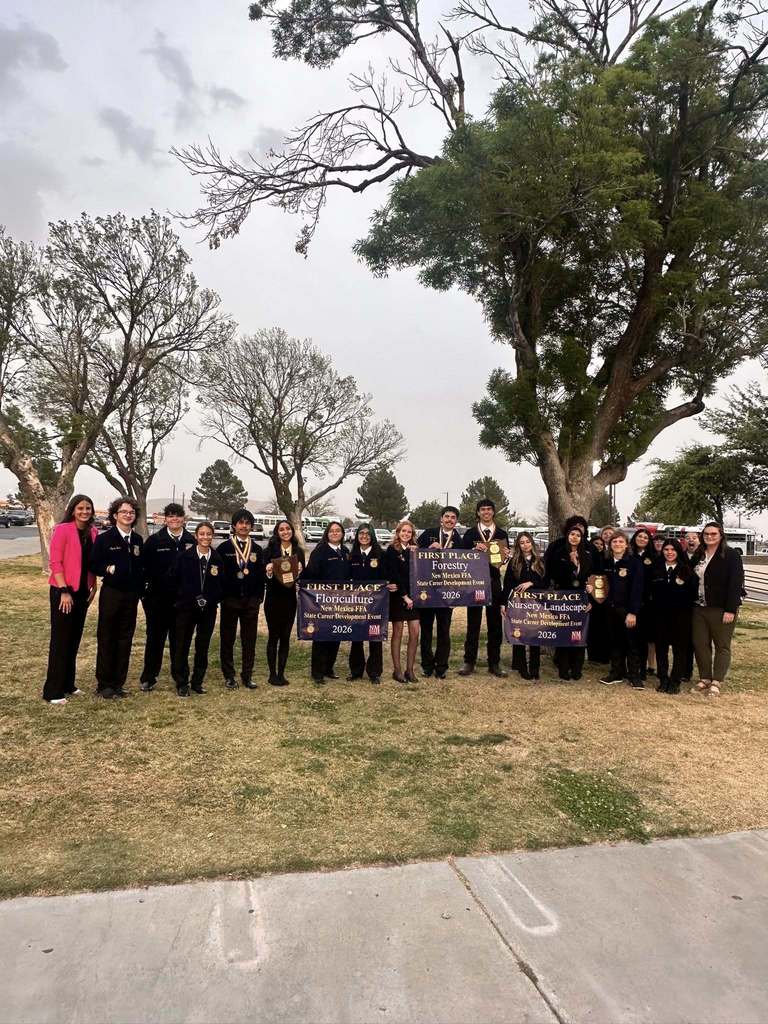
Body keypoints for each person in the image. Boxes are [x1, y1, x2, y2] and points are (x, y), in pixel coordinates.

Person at [42, 494, 98, 705]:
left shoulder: (93, 532)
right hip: (63, 591)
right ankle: (53, 691)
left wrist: (94, 585)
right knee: (61, 640)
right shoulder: (63, 529)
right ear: (73, 510)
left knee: (74, 639)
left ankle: (68, 684)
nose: (84, 512)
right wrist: (64, 590)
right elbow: (55, 562)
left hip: (83, 591)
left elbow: (91, 562)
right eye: (80, 508)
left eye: (88, 508)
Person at [90, 496, 145, 699]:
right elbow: (94, 564)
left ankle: (118, 683)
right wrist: (108, 568)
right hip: (112, 593)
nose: (128, 515)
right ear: (115, 515)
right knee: (107, 637)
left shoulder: (137, 540)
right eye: (124, 512)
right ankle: (104, 684)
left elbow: (141, 568)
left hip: (131, 595)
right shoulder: (105, 539)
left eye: (131, 512)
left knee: (125, 638)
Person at [140, 502, 194, 692]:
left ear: (183, 519)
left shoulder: (191, 541)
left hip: (182, 603)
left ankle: (181, 681)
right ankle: (149, 678)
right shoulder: (155, 541)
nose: (174, 519)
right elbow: (143, 569)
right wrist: (146, 597)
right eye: (170, 516)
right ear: (165, 519)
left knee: (180, 642)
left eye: (178, 515)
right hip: (158, 601)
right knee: (155, 640)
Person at [690, 523, 744, 697]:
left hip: (721, 608)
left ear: (721, 535)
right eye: (706, 534)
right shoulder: (699, 554)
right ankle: (705, 677)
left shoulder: (731, 555)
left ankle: (717, 680)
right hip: (699, 608)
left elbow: (736, 583)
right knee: (700, 644)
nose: (709, 536)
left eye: (713, 533)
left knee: (722, 645)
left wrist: (730, 609)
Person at [459, 499, 509, 678]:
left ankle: (494, 662)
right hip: (474, 582)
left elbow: (503, 559)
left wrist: (506, 556)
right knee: (473, 623)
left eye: (489, 509)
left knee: (495, 624)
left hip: (493, 581)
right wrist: (474, 549)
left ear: (493, 512)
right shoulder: (470, 533)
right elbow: (461, 556)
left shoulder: (501, 533)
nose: (486, 512)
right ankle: (469, 661)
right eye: (483, 509)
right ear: (478, 513)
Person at [173, 521, 224, 696]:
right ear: (196, 536)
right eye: (202, 534)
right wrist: (189, 598)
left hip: (208, 610)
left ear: (212, 536)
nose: (205, 537)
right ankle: (182, 682)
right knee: (182, 645)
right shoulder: (184, 557)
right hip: (186, 608)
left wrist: (210, 599)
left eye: (209, 534)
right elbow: (176, 581)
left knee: (203, 646)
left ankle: (197, 681)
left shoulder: (217, 559)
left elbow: (221, 585)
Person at [218, 509, 265, 690]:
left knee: (249, 640)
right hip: (230, 600)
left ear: (251, 526)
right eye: (241, 523)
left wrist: (258, 597)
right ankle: (229, 675)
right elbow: (219, 576)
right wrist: (223, 597)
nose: (244, 526)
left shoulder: (258, 549)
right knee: (227, 639)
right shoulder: (224, 548)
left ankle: (247, 675)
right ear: (234, 526)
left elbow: (261, 576)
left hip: (251, 602)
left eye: (247, 523)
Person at [545, 517, 595, 680]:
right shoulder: (559, 553)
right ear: (567, 535)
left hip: (581, 598)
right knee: (564, 632)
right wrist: (571, 562)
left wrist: (590, 594)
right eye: (572, 534)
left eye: (578, 535)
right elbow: (555, 573)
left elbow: (590, 577)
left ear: (582, 538)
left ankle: (577, 668)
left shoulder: (587, 554)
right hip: (563, 597)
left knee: (579, 632)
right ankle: (563, 667)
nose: (575, 537)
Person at [418, 505, 462, 679]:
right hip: (427, 589)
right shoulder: (428, 533)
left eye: (453, 517)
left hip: (447, 591)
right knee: (426, 629)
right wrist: (428, 548)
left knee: (444, 630)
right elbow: (414, 553)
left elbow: (465, 565)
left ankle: (442, 666)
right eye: (447, 516)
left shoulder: (459, 540)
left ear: (456, 521)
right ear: (441, 519)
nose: (449, 520)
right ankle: (427, 665)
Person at [305, 521, 350, 684]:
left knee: (336, 635)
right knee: (321, 635)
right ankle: (317, 672)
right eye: (331, 531)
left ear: (343, 534)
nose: (335, 533)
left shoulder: (345, 552)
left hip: (340, 601)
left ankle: (329, 668)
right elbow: (310, 573)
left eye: (338, 530)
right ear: (327, 534)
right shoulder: (320, 551)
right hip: (323, 601)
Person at [650, 538, 697, 694]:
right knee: (661, 649)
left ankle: (675, 681)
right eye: (666, 549)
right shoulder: (655, 568)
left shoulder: (686, 569)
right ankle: (663, 679)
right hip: (660, 616)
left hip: (681, 616)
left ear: (678, 551)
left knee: (679, 649)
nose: (669, 553)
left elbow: (693, 593)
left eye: (673, 550)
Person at [599, 532, 644, 688]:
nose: (617, 544)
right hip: (610, 609)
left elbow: (637, 589)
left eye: (620, 541)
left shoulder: (634, 563)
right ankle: (616, 673)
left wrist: (633, 612)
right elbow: (600, 583)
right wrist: (592, 589)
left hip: (627, 610)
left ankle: (634, 676)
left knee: (632, 643)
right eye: (614, 542)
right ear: (610, 545)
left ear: (626, 545)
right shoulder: (605, 562)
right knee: (615, 642)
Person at [264, 520, 305, 685]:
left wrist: (300, 572)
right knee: (273, 637)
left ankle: (281, 673)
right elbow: (263, 577)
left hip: (289, 601)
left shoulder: (298, 552)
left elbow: (302, 577)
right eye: (281, 529)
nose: (285, 531)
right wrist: (268, 572)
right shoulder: (269, 551)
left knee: (285, 637)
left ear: (292, 531)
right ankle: (272, 674)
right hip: (273, 600)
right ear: (277, 532)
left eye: (288, 528)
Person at [501, 531, 546, 680]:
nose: (525, 545)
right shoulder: (514, 562)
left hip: (536, 604)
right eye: (522, 543)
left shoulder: (540, 561)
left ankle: (534, 668)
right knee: (519, 633)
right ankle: (521, 667)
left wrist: (532, 583)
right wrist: (503, 603)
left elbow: (546, 582)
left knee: (534, 634)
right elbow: (507, 584)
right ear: (518, 545)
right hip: (518, 603)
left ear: (532, 543)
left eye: (527, 542)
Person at [347, 524, 385, 684]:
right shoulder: (352, 556)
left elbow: (386, 576)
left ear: (372, 536)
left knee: (375, 636)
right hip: (356, 603)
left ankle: (374, 672)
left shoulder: (381, 555)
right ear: (357, 536)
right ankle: (356, 671)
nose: (364, 536)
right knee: (356, 636)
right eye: (361, 533)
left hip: (376, 604)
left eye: (367, 533)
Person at [384, 520, 420, 683]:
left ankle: (410, 670)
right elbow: (394, 574)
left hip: (414, 596)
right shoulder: (392, 550)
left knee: (415, 632)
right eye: (403, 531)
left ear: (412, 535)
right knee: (398, 631)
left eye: (409, 532)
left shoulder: (415, 550)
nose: (406, 534)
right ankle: (397, 670)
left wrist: (416, 554)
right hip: (398, 596)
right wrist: (405, 596)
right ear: (398, 532)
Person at [629, 527, 656, 679]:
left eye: (646, 537)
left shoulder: (653, 557)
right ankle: (631, 667)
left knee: (643, 637)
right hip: (630, 600)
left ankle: (642, 670)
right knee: (631, 637)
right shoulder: (628, 554)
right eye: (640, 536)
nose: (642, 539)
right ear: (635, 538)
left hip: (647, 603)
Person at [587, 524, 615, 663]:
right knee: (594, 625)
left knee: (607, 626)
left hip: (609, 595)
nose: (607, 536)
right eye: (605, 534)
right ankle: (593, 655)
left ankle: (607, 655)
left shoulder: (614, 555)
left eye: (610, 533)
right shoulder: (590, 556)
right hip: (594, 595)